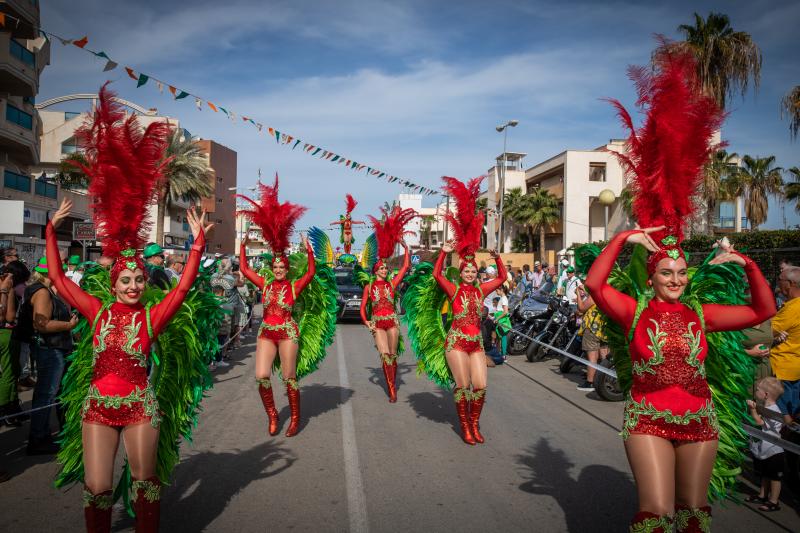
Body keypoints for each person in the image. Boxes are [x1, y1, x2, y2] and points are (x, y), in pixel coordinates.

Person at [586, 49, 776, 532]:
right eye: (665, 272)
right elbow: (594, 283)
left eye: (680, 272)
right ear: (651, 276)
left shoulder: (701, 314)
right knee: (655, 515)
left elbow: (761, 310)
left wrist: (749, 263)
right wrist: (623, 237)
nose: (674, 279)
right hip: (648, 419)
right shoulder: (634, 309)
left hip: (699, 422)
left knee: (695, 517)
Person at [47, 87, 213, 532]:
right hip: (98, 408)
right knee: (97, 487)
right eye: (127, 280)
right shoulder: (97, 312)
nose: (136, 285)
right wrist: (50, 232)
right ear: (114, 283)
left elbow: (179, 290)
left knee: (146, 483)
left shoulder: (149, 317)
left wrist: (197, 244)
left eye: (139, 279)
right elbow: (60, 281)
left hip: (140, 408)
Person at [238, 177, 320, 438]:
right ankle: (273, 415)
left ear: (287, 269)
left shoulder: (294, 287)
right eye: (276, 268)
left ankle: (295, 418)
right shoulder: (264, 284)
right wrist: (242, 246)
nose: (279, 270)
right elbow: (243, 269)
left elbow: (311, 272)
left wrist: (309, 251)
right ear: (271, 269)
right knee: (261, 376)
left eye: (283, 268)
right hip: (266, 333)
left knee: (289, 377)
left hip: (287, 333)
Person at [431, 176, 507, 445]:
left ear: (476, 273)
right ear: (461, 272)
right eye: (466, 269)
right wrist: (443, 252)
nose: (470, 272)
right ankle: (465, 427)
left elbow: (501, 279)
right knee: (462, 386)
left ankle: (475, 424)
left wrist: (498, 259)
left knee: (481, 386)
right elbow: (437, 275)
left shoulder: (482, 290)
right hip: (456, 343)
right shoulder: (454, 290)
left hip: (476, 344)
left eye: (474, 270)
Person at [359, 204, 415, 403]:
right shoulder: (369, 286)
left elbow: (406, 266)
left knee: (393, 355)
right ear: (375, 270)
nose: (384, 270)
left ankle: (392, 380)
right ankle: (392, 389)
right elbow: (362, 309)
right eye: (381, 268)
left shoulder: (392, 284)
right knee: (384, 355)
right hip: (378, 323)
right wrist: (368, 323)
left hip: (392, 322)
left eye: (385, 268)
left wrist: (407, 248)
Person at [25, 257, 77, 455]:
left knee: (51, 393)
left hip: (55, 348)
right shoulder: (41, 292)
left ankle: (43, 434)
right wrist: (69, 326)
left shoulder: (47, 289)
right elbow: (42, 324)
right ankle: (38, 438)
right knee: (46, 394)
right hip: (50, 349)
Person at [746, 377, 785, 512]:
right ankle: (762, 495)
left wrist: (752, 409)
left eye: (758, 390)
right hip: (766, 448)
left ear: (766, 394)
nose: (756, 391)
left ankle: (774, 501)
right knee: (765, 474)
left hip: (774, 450)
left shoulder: (774, 410)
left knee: (774, 477)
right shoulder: (767, 407)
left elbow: (759, 422)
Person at [772, 266, 800, 426]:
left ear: (789, 284)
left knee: (783, 420)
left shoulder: (792, 308)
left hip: (783, 370)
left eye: (780, 280)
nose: (777, 283)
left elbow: (767, 330)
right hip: (795, 368)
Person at [575, 284, 608, 392]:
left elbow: (581, 308)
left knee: (592, 357)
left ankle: (590, 382)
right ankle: (605, 380)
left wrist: (578, 295)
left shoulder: (595, 295)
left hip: (592, 328)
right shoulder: (607, 293)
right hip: (603, 328)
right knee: (605, 356)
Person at [210, 283, 233, 371]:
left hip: (212, 329)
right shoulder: (223, 302)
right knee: (219, 344)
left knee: (213, 345)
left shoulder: (210, 300)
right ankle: (218, 360)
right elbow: (230, 310)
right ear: (221, 292)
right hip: (221, 328)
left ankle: (213, 361)